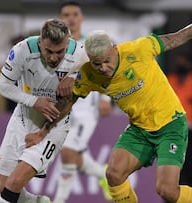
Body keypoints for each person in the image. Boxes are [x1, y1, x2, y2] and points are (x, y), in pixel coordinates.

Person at [25, 1, 192, 202]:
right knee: (113, 174)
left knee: (166, 190)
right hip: (139, 130)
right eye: (97, 64)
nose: (103, 69)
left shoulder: (140, 49)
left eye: (106, 61)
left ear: (115, 49)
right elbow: (68, 102)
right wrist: (44, 131)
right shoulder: (90, 74)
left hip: (170, 124)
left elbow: (180, 36)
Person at [0, 18, 88, 203]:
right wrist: (34, 102)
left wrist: (76, 76)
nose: (53, 57)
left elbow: (101, 72)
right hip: (23, 118)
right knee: (0, 187)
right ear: (40, 41)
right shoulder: (22, 49)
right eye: (48, 51)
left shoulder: (80, 54)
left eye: (60, 52)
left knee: (15, 182)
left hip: (55, 125)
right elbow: (3, 86)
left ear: (68, 43)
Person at [53, 2, 113, 203]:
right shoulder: (56, 48)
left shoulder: (91, 45)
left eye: (74, 14)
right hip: (63, 107)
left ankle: (59, 200)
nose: (70, 18)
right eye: (66, 14)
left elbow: (106, 70)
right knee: (72, 154)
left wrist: (106, 98)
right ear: (60, 18)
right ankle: (103, 175)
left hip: (87, 108)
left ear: (81, 18)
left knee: (68, 153)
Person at [167, 53, 192, 187]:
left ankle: (190, 191)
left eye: (184, 62)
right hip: (172, 127)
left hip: (190, 127)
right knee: (174, 162)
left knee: (190, 162)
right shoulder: (170, 79)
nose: (181, 65)